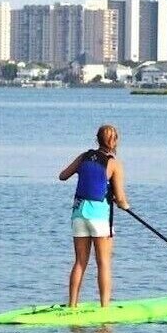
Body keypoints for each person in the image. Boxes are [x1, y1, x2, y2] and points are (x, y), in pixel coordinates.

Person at [58, 124, 130, 310]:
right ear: (115, 142)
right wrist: (123, 204)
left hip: (79, 214)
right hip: (99, 217)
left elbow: (63, 176)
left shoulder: (83, 157)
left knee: (80, 262)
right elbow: (121, 200)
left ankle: (72, 305)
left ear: (97, 139)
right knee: (103, 263)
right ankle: (105, 308)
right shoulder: (114, 163)